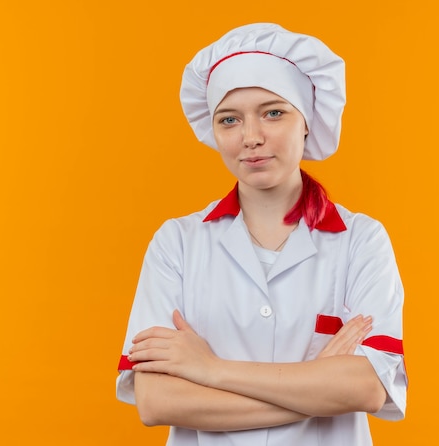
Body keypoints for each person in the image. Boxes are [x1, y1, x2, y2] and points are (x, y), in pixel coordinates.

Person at [116, 22, 407, 445]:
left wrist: (210, 369)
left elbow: (365, 388)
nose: (251, 137)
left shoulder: (361, 240)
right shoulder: (176, 243)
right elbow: (157, 400)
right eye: (229, 120)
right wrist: (319, 388)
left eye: (273, 112)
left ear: (306, 121)